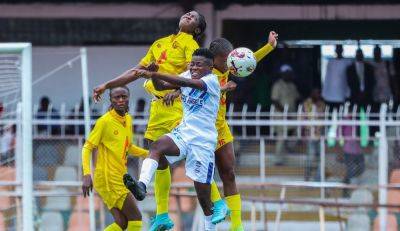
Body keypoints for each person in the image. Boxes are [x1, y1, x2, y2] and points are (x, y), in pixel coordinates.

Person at [92, 11, 206, 230]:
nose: (189, 15)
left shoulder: (190, 44)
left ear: (197, 30)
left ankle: (216, 204)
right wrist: (107, 85)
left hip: (178, 106)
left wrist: (180, 90)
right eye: (188, 14)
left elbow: (197, 74)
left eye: (194, 18)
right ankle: (162, 215)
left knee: (193, 155)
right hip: (157, 106)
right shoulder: (160, 43)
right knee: (160, 160)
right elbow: (137, 71)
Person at [162, 32, 278, 230]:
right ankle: (214, 215)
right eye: (227, 60)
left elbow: (248, 61)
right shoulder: (200, 73)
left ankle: (237, 226)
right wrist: (175, 91)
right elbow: (185, 84)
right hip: (199, 132)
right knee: (205, 177)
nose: (231, 63)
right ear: (214, 60)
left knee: (229, 173)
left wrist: (269, 47)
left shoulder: (226, 70)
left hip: (220, 129)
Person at [123, 48, 224, 231]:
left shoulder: (211, 81)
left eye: (198, 64)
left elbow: (184, 82)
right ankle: (142, 185)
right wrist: (154, 76)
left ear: (210, 67)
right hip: (184, 133)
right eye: (192, 63)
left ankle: (210, 228)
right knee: (157, 147)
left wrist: (155, 72)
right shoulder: (187, 74)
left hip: (203, 141)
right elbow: (161, 87)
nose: (193, 67)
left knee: (203, 195)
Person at [81, 86, 148, 231]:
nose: (120, 100)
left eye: (123, 96)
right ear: (111, 100)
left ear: (128, 98)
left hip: (120, 176)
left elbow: (129, 148)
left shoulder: (128, 119)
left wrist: (149, 154)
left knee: (121, 222)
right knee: (136, 217)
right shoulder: (104, 122)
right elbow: (87, 147)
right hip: (108, 178)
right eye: (116, 97)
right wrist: (87, 174)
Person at [271, 64, 301, 165]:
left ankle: (290, 146)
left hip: (292, 114)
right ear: (282, 74)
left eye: (289, 73)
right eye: (286, 73)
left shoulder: (292, 86)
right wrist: (284, 113)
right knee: (281, 136)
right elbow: (275, 101)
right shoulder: (277, 85)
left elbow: (297, 98)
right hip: (280, 116)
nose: (289, 75)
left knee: (299, 128)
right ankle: (278, 159)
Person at [302, 88, 325, 181]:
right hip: (310, 134)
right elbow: (305, 118)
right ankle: (307, 176)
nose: (317, 95)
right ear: (312, 93)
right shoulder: (307, 103)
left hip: (320, 135)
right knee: (310, 157)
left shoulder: (322, 104)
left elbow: (322, 118)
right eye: (315, 93)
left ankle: (318, 178)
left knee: (321, 158)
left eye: (318, 93)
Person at [322, 45, 351, 111]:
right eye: (337, 49)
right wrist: (324, 93)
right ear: (335, 51)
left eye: (340, 49)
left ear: (342, 50)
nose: (338, 51)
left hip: (342, 95)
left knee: (340, 115)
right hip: (329, 95)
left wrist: (348, 93)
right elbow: (327, 78)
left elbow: (348, 80)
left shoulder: (347, 62)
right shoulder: (330, 62)